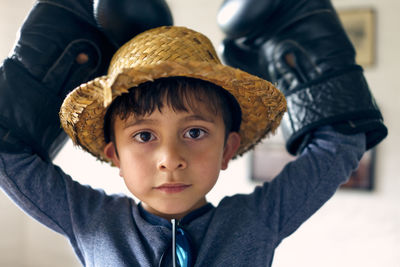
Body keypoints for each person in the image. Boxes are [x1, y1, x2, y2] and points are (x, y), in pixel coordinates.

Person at [0, 1, 387, 267]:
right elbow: (7, 152)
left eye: (195, 131)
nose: (170, 157)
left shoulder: (258, 219)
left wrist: (299, 23)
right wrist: (64, 22)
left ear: (228, 148)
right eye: (144, 136)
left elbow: (340, 144)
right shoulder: (88, 219)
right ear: (114, 155)